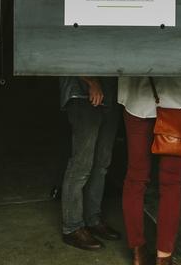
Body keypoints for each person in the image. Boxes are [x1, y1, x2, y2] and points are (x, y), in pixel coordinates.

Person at [118, 76, 181, 265]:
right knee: (171, 183)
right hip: (177, 101)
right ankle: (163, 258)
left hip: (137, 101)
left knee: (135, 179)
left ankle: (138, 253)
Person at [59, 76, 121, 250]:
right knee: (81, 164)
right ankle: (72, 227)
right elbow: (64, 59)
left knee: (102, 163)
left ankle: (92, 219)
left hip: (110, 93)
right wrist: (91, 81)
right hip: (82, 93)